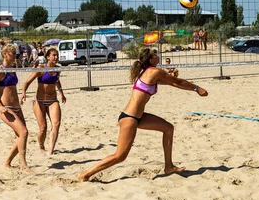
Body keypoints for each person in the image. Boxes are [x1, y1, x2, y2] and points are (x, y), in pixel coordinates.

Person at [79, 48, 208, 182]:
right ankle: (86, 174)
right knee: (120, 156)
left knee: (168, 128)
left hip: (138, 117)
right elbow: (178, 82)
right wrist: (196, 88)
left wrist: (172, 76)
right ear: (151, 59)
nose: (158, 55)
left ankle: (169, 167)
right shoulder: (154, 71)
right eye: (155, 54)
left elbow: (170, 82)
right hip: (130, 118)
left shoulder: (149, 72)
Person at [0, 44, 31, 173]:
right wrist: (0, 106)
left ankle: (7, 162)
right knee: (24, 132)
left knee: (21, 136)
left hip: (17, 107)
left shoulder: (12, 69)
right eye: (13, 54)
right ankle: (23, 165)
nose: (15, 56)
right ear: (5, 54)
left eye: (16, 54)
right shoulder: (0, 71)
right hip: (7, 108)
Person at [20, 48, 66, 156]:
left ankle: (50, 150)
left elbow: (57, 82)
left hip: (52, 100)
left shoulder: (58, 69)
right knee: (43, 127)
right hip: (39, 101)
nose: (56, 57)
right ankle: (41, 146)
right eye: (54, 55)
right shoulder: (41, 68)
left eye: (57, 55)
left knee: (56, 124)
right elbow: (27, 82)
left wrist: (62, 94)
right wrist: (23, 93)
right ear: (48, 57)